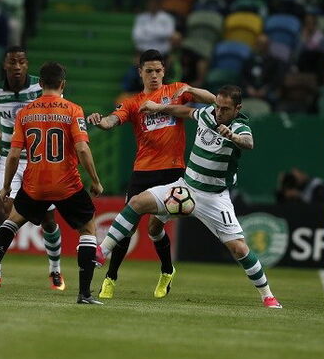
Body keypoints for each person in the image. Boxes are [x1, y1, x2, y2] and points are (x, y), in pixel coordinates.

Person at [94, 85, 283, 309]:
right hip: (185, 187)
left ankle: (268, 296)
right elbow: (185, 111)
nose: (219, 112)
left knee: (239, 249)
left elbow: (248, 143)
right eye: (217, 106)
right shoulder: (208, 113)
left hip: (214, 198)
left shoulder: (239, 126)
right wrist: (159, 107)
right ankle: (102, 252)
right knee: (136, 203)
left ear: (237, 109)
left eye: (225, 109)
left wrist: (231, 136)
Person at [86, 49, 214, 300]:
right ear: (140, 73)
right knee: (128, 227)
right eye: (149, 71)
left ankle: (167, 271)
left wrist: (190, 88)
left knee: (155, 229)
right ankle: (110, 278)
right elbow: (112, 120)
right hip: (142, 172)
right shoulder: (133, 102)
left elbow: (212, 100)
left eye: (158, 70)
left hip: (172, 171)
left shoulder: (176, 90)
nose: (154, 75)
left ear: (164, 71)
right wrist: (101, 122)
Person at [0, 62, 104, 305]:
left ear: (41, 84)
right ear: (63, 84)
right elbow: (82, 149)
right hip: (66, 185)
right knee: (87, 229)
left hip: (34, 185)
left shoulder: (25, 113)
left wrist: (6, 186)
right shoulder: (73, 110)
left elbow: (13, 155)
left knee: (10, 222)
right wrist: (95, 181)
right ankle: (84, 293)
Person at [0, 46, 65, 290]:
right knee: (1, 211)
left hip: (39, 160)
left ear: (27, 64)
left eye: (22, 62)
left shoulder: (40, 87)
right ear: (4, 64)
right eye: (12, 62)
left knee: (48, 220)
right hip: (8, 159)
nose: (17, 66)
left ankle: (55, 270)